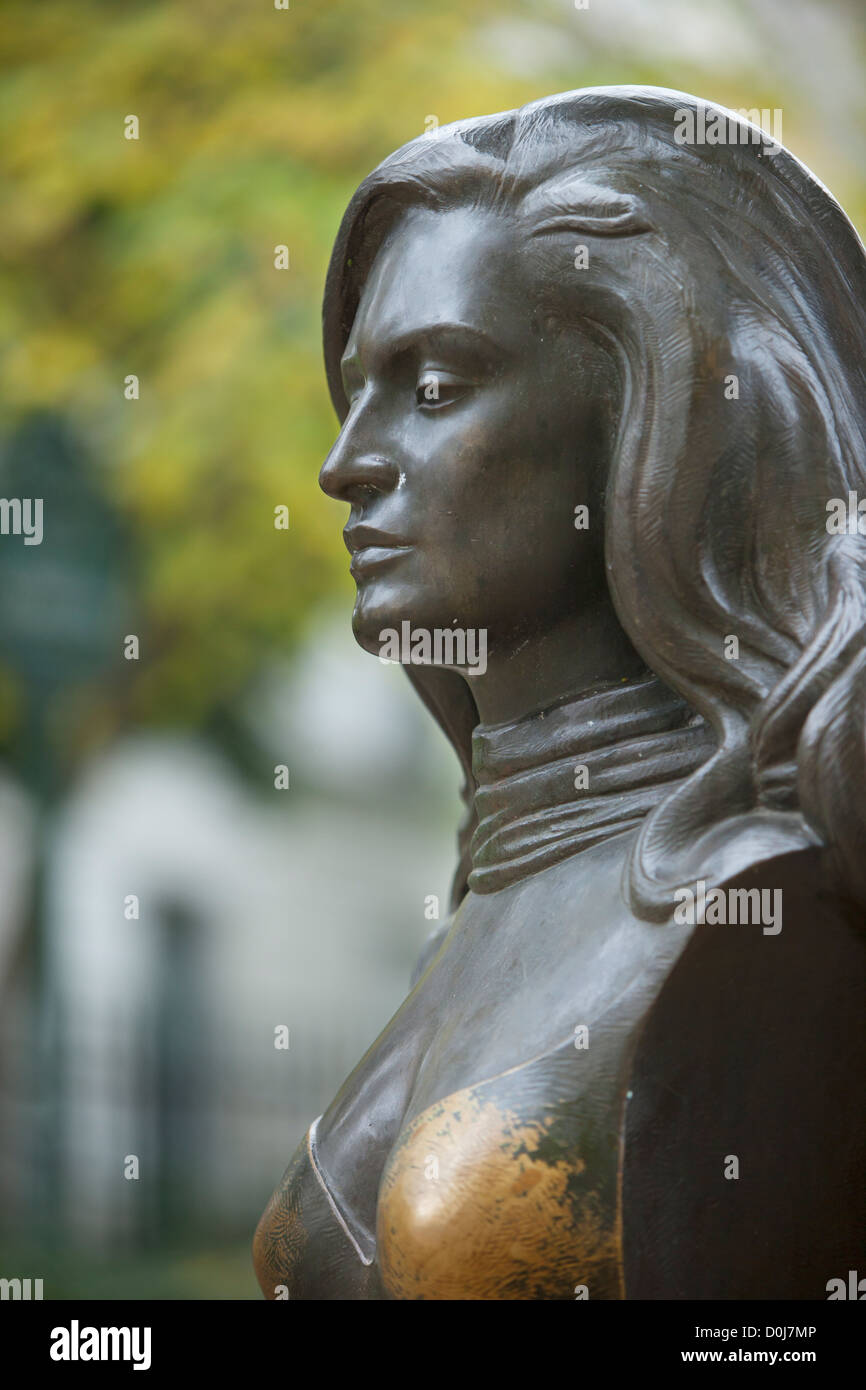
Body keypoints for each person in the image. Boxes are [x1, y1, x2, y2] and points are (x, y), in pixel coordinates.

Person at [254, 86, 866, 1299]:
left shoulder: (760, 899)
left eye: (434, 385)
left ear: (655, 418)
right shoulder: (490, 900)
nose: (342, 464)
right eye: (357, 388)